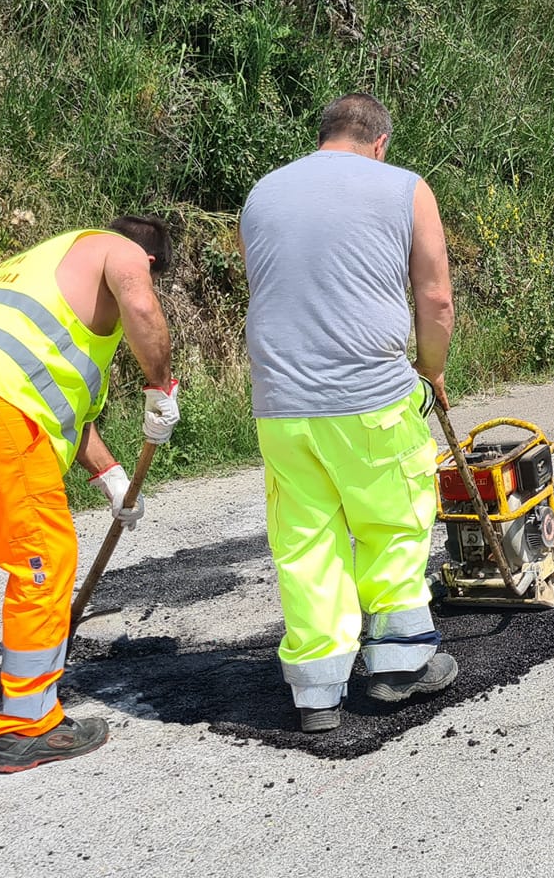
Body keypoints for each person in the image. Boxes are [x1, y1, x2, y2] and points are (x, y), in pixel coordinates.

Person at [0, 218, 181, 772]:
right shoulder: (122, 251)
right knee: (43, 559)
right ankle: (29, 725)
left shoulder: (39, 268)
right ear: (148, 262)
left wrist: (112, 478)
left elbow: (58, 405)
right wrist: (159, 385)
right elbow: (142, 309)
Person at [240, 92, 459, 733]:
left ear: (324, 136)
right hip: (369, 399)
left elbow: (275, 288)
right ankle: (401, 664)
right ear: (379, 142)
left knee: (307, 547)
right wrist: (432, 370)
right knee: (392, 524)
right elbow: (436, 297)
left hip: (280, 407)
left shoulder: (262, 194)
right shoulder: (405, 188)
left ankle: (316, 694)